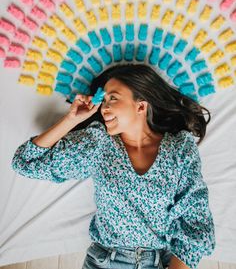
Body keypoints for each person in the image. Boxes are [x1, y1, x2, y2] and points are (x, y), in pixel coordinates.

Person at [12, 63, 216, 269]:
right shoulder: (98, 144)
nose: (104, 107)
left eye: (113, 98)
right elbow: (25, 163)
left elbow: (195, 223)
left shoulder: (180, 149)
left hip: (160, 261)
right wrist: (71, 119)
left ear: (141, 106)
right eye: (104, 100)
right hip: (104, 262)